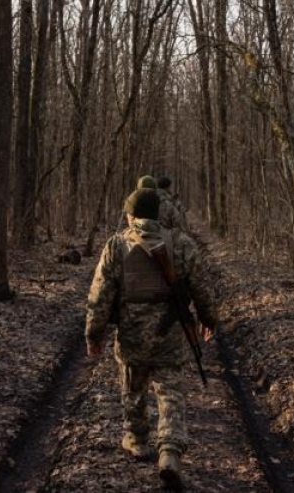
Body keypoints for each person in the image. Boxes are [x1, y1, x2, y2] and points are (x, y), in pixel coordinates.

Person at [86, 188, 217, 490]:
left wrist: (94, 334)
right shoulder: (182, 244)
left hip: (131, 333)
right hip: (170, 333)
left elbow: (100, 296)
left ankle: (137, 438)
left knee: (133, 384)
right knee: (170, 389)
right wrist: (209, 320)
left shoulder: (116, 246)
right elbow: (202, 289)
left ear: (131, 215)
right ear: (158, 214)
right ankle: (169, 450)